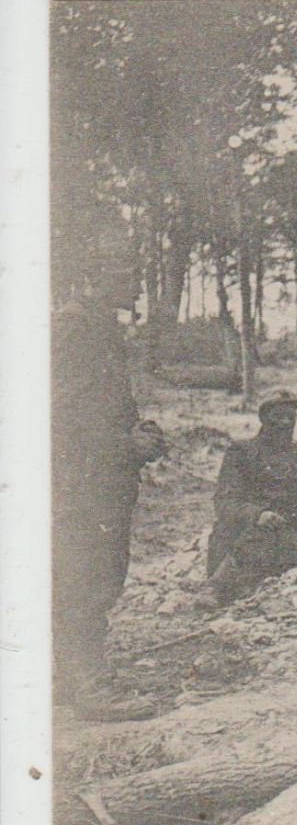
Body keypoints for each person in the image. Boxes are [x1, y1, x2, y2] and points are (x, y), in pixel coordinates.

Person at [51, 223, 168, 721]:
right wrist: (128, 445)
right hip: (81, 483)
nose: (139, 283)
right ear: (95, 275)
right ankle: (90, 688)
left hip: (99, 478)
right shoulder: (75, 329)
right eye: (129, 272)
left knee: (92, 574)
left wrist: (134, 429)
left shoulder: (98, 327)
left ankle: (70, 678)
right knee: (88, 577)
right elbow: (59, 421)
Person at [199, 390, 297, 608]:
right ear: (264, 419)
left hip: (290, 531)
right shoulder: (242, 452)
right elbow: (225, 502)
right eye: (278, 417)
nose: (285, 423)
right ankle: (217, 587)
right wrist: (258, 514)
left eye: (290, 418)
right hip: (249, 533)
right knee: (253, 537)